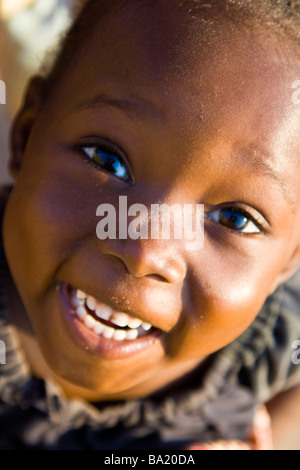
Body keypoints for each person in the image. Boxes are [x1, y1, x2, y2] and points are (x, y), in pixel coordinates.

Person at [0, 0, 300, 450]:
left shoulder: (272, 339)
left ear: (290, 260)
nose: (145, 250)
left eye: (235, 219)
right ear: (26, 136)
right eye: (106, 159)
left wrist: (272, 435)